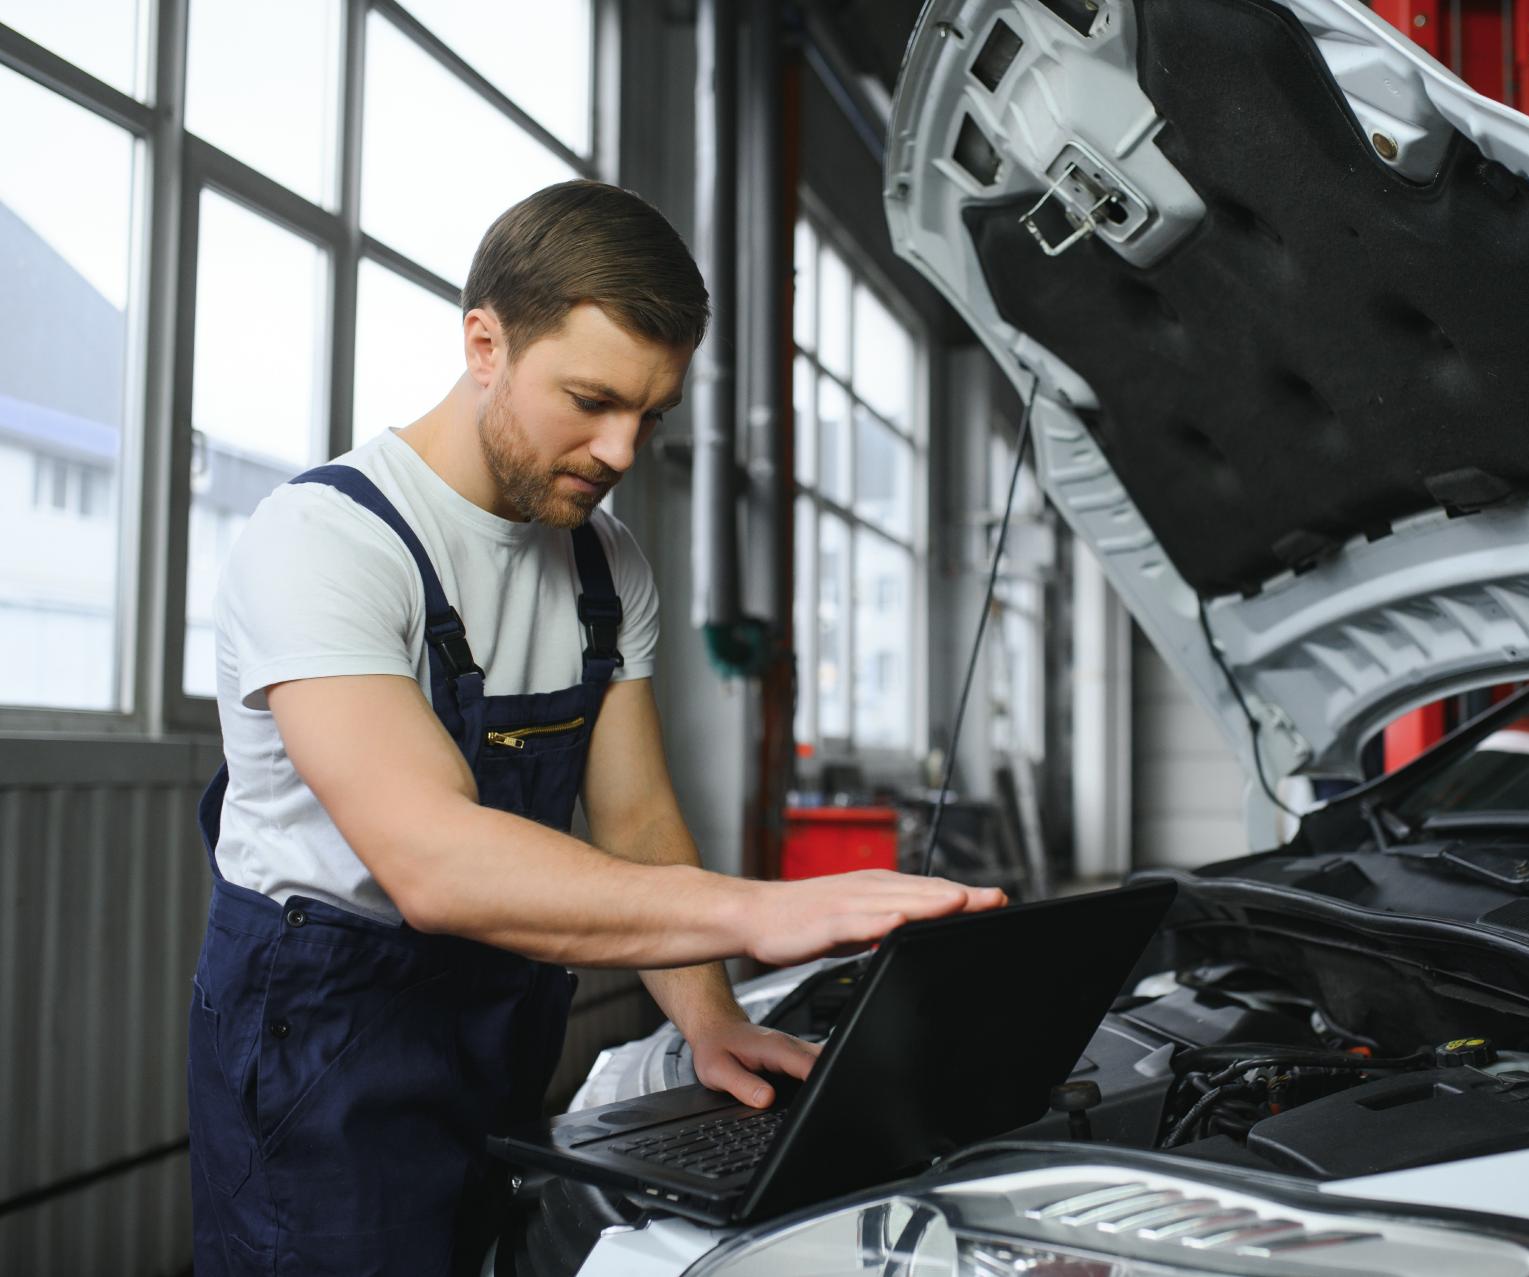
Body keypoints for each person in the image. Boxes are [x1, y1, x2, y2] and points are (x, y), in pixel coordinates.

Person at [186, 179, 1003, 1275]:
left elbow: (634, 812)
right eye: (591, 398)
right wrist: (759, 910)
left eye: (652, 412)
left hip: (494, 1020)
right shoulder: (326, 543)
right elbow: (432, 859)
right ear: (486, 342)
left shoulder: (604, 564)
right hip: (324, 1039)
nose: (622, 448)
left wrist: (710, 1016)